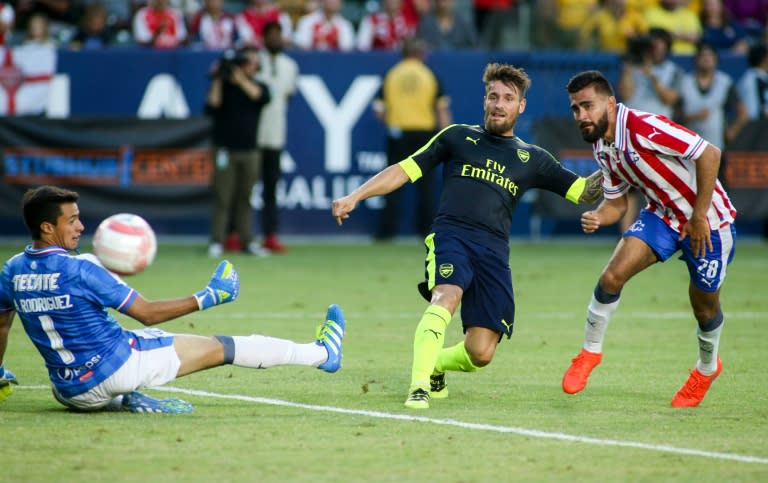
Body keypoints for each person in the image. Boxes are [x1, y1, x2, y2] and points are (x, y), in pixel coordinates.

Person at [332, 63, 603, 409]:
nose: (499, 104)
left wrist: (616, 163)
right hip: (452, 236)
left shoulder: (533, 159)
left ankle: (435, 366)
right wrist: (355, 196)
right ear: (484, 100)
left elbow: (584, 192)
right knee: (445, 296)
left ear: (521, 107)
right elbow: (404, 169)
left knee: (481, 352)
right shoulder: (457, 137)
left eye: (508, 98)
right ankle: (418, 387)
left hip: (493, 251)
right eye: (493, 96)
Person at [0, 185, 346, 412]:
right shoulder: (82, 268)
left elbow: (2, 322)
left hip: (69, 391)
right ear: (47, 228)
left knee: (125, 345)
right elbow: (147, 313)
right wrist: (208, 297)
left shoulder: (12, 269)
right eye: (72, 220)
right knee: (221, 347)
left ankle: (124, 401)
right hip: (118, 367)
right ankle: (321, 354)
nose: (80, 227)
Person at [562, 70, 736, 408]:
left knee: (704, 307)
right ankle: (589, 353)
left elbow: (709, 153)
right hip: (663, 216)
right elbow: (616, 203)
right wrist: (600, 215)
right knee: (611, 276)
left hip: (709, 222)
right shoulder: (601, 145)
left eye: (588, 106)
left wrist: (699, 216)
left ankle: (706, 368)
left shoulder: (644, 126)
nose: (581, 116)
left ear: (610, 104)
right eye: (575, 109)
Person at [372, 36, 451, 241]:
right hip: (424, 134)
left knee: (391, 181)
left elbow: (379, 109)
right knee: (426, 186)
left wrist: (391, 122)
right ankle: (426, 231)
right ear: (422, 54)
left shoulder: (392, 74)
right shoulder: (429, 74)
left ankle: (386, 232)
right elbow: (441, 109)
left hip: (398, 133)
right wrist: (448, 136)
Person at [206, 46, 271, 258]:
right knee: (223, 198)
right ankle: (217, 241)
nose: (246, 67)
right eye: (243, 63)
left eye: (250, 63)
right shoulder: (223, 86)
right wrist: (218, 77)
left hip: (250, 150)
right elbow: (212, 106)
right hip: (225, 149)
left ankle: (247, 241)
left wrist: (240, 78)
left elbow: (259, 97)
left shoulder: (258, 85)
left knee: (246, 197)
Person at [618, 27, 683, 232]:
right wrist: (631, 65)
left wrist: (652, 76)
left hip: (659, 134)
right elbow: (626, 93)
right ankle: (625, 235)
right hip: (631, 132)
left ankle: (669, 230)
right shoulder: (631, 68)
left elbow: (671, 98)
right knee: (628, 188)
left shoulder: (673, 71)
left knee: (663, 185)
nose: (652, 51)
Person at [256, 20, 299, 254]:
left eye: (278, 35)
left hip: (275, 135)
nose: (275, 39)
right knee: (242, 190)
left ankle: (269, 235)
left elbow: (287, 97)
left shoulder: (289, 66)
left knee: (271, 190)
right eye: (270, 35)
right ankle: (235, 234)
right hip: (252, 134)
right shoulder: (254, 62)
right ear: (263, 38)